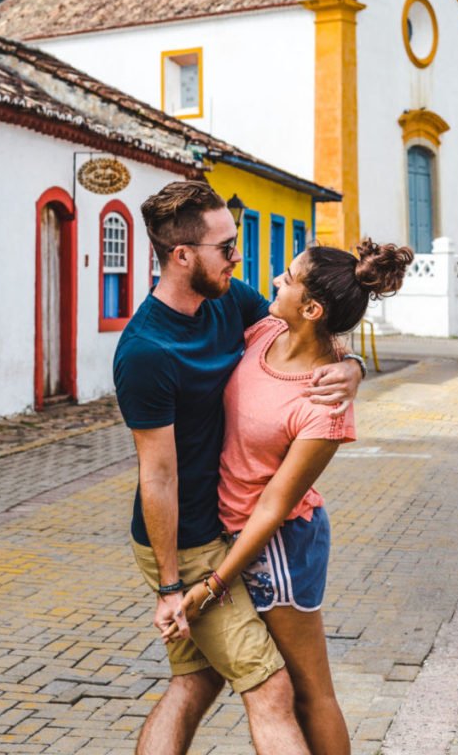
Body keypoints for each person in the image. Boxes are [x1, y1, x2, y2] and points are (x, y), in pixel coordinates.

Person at [114, 181, 365, 755]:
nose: (239, 257)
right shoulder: (145, 352)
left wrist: (352, 367)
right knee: (272, 688)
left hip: (227, 530)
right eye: (226, 246)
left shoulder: (228, 298)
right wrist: (174, 585)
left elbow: (305, 331)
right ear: (183, 256)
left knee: (195, 681)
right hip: (189, 539)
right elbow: (157, 477)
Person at [165, 238, 413, 755]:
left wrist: (215, 583)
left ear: (312, 308)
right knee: (235, 682)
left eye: (290, 277)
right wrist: (355, 364)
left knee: (308, 690)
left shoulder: (324, 405)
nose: (276, 279)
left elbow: (276, 504)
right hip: (233, 535)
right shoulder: (267, 329)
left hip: (278, 546)